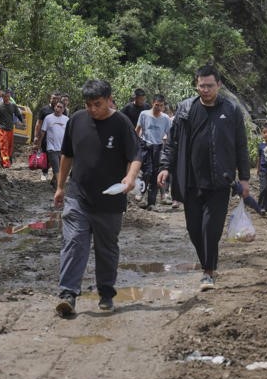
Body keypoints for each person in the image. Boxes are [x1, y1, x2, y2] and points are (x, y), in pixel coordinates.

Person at [54, 79, 141, 317]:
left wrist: (130, 178)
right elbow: (67, 155)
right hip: (78, 197)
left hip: (110, 201)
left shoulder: (121, 123)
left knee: (106, 248)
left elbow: (135, 155)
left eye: (98, 104)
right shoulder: (77, 120)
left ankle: (105, 293)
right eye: (89, 104)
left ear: (109, 99)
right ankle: (68, 295)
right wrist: (60, 187)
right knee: (74, 244)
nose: (93, 109)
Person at [158, 65, 250, 291]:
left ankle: (208, 272)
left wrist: (245, 178)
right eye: (202, 86)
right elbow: (173, 142)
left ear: (219, 85)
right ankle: (207, 265)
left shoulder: (231, 110)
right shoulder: (186, 109)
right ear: (196, 85)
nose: (206, 90)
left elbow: (241, 146)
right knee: (194, 229)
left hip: (220, 181)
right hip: (190, 180)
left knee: (211, 228)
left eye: (210, 85)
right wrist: (165, 167)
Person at [135, 94, 171, 210]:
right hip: (145, 145)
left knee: (155, 173)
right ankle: (141, 192)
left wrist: (168, 148)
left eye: (161, 105)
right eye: (156, 105)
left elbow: (170, 134)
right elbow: (138, 129)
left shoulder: (165, 118)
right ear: (152, 104)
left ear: (163, 106)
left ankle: (151, 203)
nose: (158, 107)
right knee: (146, 171)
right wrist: (136, 144)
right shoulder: (144, 114)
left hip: (158, 147)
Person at [37, 101, 69, 187]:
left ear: (63, 109)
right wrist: (38, 145)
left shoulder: (66, 119)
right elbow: (43, 132)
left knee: (62, 168)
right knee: (56, 167)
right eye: (57, 106)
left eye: (60, 107)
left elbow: (69, 134)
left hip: (62, 148)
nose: (58, 109)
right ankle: (60, 187)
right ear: (54, 107)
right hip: (51, 148)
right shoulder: (48, 118)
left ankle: (53, 181)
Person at [0, 89, 23, 168]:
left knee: (9, 147)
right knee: (3, 146)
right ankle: (6, 164)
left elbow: (18, 114)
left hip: (10, 129)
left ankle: (3, 161)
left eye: (8, 96)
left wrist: (21, 121)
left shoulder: (13, 106)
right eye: (5, 96)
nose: (7, 98)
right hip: (1, 128)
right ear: (2, 97)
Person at [33, 93, 60, 181]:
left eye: (56, 99)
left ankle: (55, 176)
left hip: (58, 137)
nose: (55, 100)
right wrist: (36, 136)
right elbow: (38, 123)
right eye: (53, 98)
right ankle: (44, 172)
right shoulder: (44, 110)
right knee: (47, 155)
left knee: (57, 156)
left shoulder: (61, 110)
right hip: (45, 136)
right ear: (50, 99)